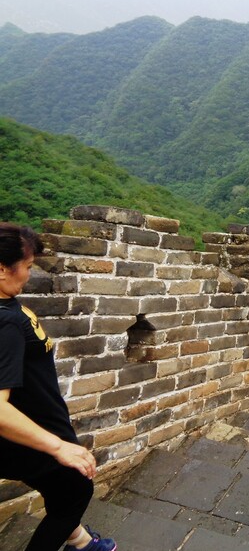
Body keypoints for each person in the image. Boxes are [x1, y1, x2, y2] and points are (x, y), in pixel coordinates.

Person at [0, 223, 118, 551]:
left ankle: (81, 542)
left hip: (33, 428)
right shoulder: (5, 323)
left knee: (60, 490)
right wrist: (57, 446)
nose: (28, 274)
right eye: (27, 266)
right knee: (76, 489)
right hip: (26, 436)